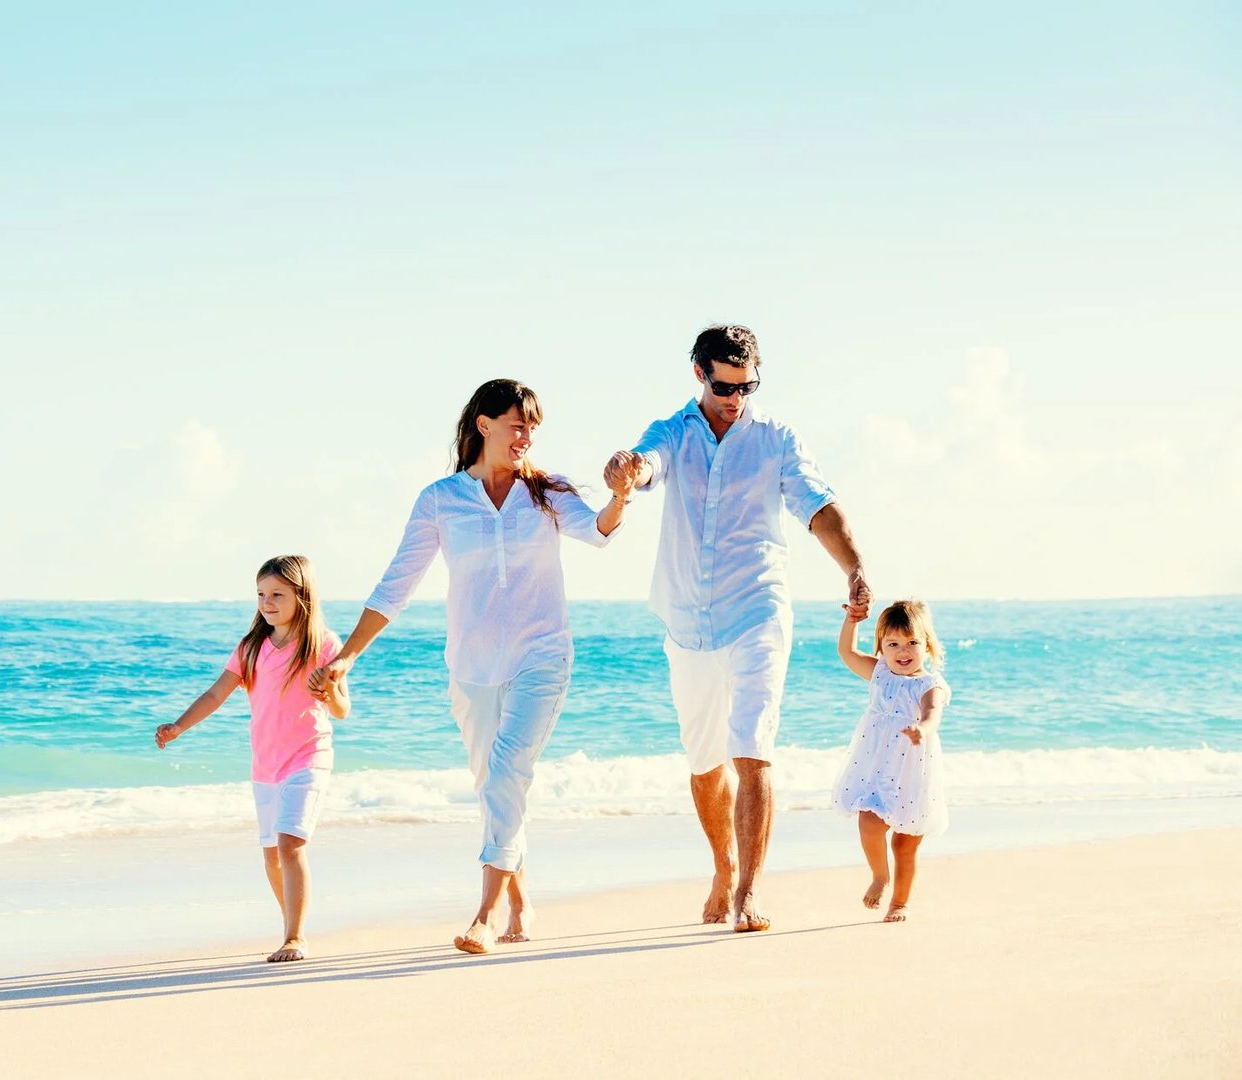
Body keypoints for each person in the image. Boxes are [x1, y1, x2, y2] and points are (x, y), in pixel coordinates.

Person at [309, 379, 633, 955]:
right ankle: (521, 900)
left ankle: (483, 914)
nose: (526, 436)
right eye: (517, 424)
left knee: (507, 772)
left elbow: (600, 532)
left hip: (542, 656)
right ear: (484, 425)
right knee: (496, 787)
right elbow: (396, 584)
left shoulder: (547, 492)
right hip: (472, 667)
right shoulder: (441, 500)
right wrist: (348, 656)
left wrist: (621, 495)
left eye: (533, 427)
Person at [604, 325, 870, 932]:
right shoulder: (672, 430)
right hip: (686, 618)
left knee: (752, 749)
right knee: (704, 763)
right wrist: (627, 471)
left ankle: (748, 892)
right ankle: (722, 866)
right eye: (725, 386)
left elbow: (819, 507)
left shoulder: (776, 438)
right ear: (700, 374)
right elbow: (645, 465)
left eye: (747, 386)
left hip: (758, 607)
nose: (736, 398)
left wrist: (854, 568)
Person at [155, 555, 348, 963]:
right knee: (271, 854)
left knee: (290, 842)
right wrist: (178, 727)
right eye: (261, 594)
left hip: (308, 757)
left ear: (303, 595)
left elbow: (342, 709)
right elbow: (214, 695)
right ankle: (290, 928)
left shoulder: (323, 644)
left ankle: (295, 938)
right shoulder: (250, 648)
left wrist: (327, 692)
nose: (267, 602)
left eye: (277, 594)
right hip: (265, 765)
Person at [832, 598, 950, 922]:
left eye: (912, 642)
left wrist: (922, 729)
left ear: (927, 644)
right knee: (869, 821)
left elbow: (933, 712)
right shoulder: (880, 673)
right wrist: (852, 621)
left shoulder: (929, 684)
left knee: (904, 844)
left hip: (913, 773)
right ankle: (880, 876)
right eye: (893, 643)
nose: (903, 651)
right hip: (875, 769)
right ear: (881, 646)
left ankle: (900, 902)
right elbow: (847, 653)